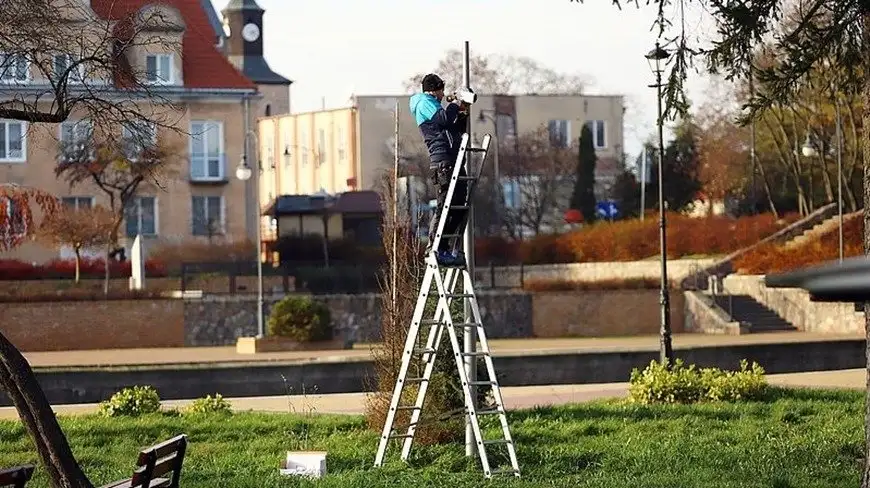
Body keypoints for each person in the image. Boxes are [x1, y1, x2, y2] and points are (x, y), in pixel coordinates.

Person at [409, 73, 471, 267]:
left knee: (460, 206)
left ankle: (445, 248)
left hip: (455, 160)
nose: (443, 95)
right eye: (441, 90)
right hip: (443, 161)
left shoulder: (436, 107)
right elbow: (443, 118)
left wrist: (463, 110)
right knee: (446, 205)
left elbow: (456, 128)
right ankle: (434, 248)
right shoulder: (423, 102)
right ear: (432, 90)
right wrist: (454, 104)